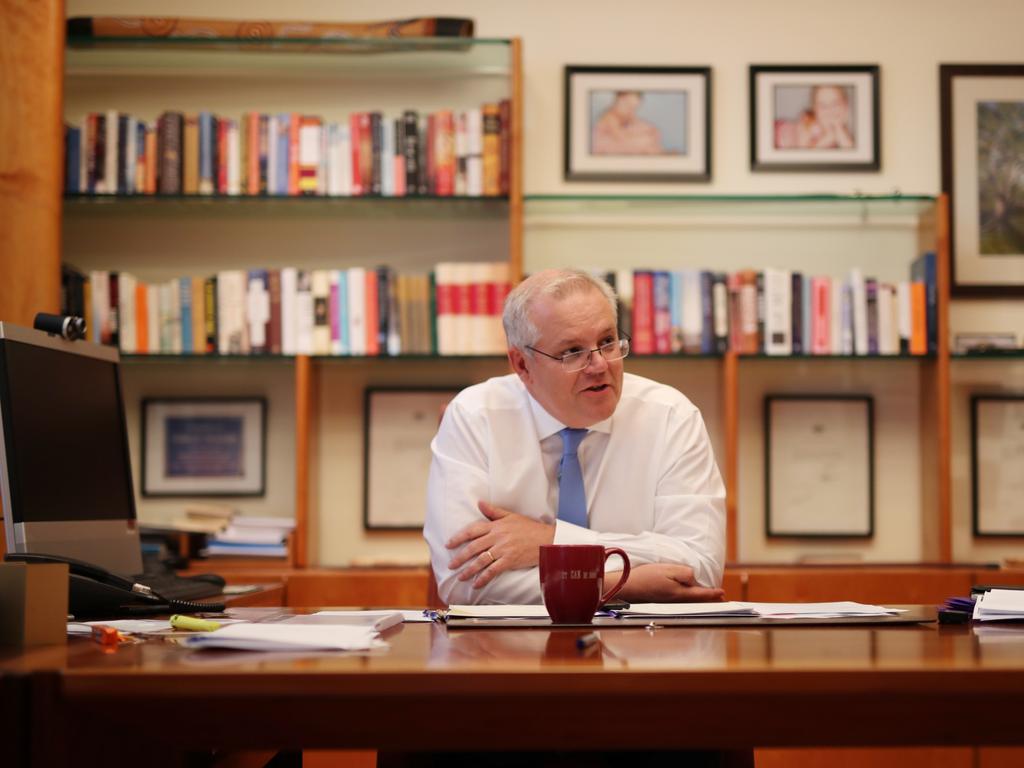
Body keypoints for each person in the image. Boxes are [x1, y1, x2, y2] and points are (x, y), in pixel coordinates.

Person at [424, 268, 726, 606]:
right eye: (572, 352)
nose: (599, 365)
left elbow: (700, 568)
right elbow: (463, 583)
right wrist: (631, 584)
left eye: (608, 342)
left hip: (643, 649)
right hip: (509, 651)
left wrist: (551, 542)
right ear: (522, 364)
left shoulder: (672, 416)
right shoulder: (474, 417)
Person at [775, 84, 854, 150]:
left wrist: (839, 128)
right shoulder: (808, 120)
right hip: (776, 135)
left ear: (845, 105)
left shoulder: (843, 134)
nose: (830, 110)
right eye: (823, 106)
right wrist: (829, 137)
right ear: (814, 109)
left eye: (836, 103)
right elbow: (804, 154)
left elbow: (852, 154)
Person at [591, 90, 665, 155]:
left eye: (634, 108)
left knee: (647, 135)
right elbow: (620, 137)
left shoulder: (625, 114)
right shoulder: (609, 117)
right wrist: (639, 137)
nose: (630, 111)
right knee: (645, 142)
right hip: (607, 145)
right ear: (618, 100)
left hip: (620, 141)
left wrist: (652, 130)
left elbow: (640, 123)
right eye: (628, 106)